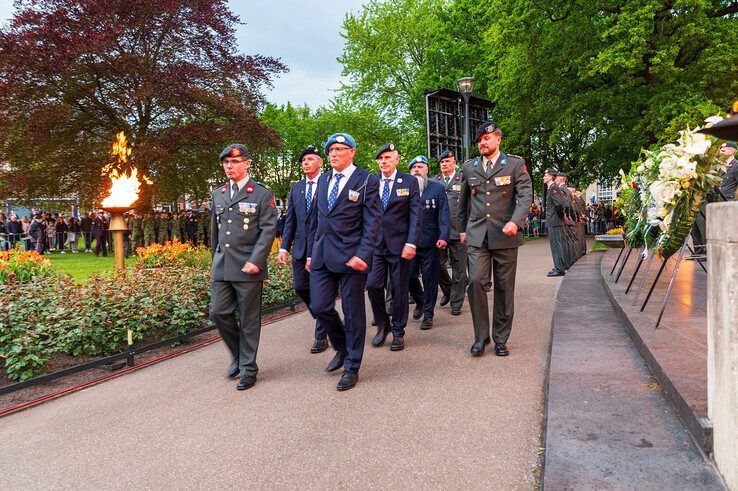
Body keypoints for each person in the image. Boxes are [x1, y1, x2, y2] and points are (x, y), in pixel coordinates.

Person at [309, 133, 381, 391]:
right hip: (322, 255)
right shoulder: (324, 179)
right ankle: (341, 346)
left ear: (352, 152)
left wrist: (363, 255)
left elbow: (373, 222)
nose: (334, 154)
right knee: (318, 306)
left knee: (353, 314)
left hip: (352, 257)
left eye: (339, 149)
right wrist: (311, 252)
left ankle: (352, 366)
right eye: (330, 150)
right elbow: (318, 220)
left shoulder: (367, 181)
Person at [458, 121, 533, 357]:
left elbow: (525, 195)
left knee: (504, 288)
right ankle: (481, 337)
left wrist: (516, 220)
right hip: (477, 235)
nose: (482, 143)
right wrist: (462, 229)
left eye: (487, 139)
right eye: (479, 140)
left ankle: (501, 339)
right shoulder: (469, 168)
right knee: (476, 282)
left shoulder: (514, 164)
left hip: (505, 235)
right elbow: (462, 204)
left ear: (498, 139)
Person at [210, 143, 277, 391]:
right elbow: (215, 232)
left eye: (235, 162)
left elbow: (268, 230)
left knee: (249, 320)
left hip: (249, 265)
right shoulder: (218, 193)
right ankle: (239, 355)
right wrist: (214, 259)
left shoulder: (260, 193)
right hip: (222, 264)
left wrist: (256, 260)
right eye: (226, 162)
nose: (230, 166)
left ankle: (248, 368)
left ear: (247, 163)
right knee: (218, 312)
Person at [366, 143, 420, 351]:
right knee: (372, 285)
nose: (384, 161)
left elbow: (416, 214)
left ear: (397, 159)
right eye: (380, 159)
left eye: (388, 157)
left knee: (399, 289)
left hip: (400, 245)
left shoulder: (409, 181)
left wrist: (411, 242)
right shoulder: (371, 182)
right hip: (376, 245)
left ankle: (398, 331)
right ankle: (383, 325)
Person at [278, 145, 327, 354]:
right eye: (303, 160)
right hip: (299, 247)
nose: (305, 163)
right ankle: (323, 315)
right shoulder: (296, 188)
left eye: (310, 159)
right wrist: (283, 247)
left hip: (321, 247)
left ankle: (321, 336)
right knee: (300, 287)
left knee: (319, 291)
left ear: (320, 162)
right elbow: (291, 220)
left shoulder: (328, 183)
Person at [408, 155, 450, 329]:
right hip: (409, 243)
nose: (417, 170)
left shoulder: (437, 188)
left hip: (431, 242)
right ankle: (420, 300)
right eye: (414, 167)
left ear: (427, 170)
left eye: (421, 167)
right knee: (409, 277)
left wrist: (443, 236)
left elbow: (444, 215)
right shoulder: (404, 188)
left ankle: (428, 314)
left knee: (430, 279)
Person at [435, 149, 467, 316]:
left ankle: (456, 302)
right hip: (439, 232)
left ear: (454, 162)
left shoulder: (462, 179)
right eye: (442, 162)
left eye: (447, 161)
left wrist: (467, 229)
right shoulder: (434, 181)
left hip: (458, 231)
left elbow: (469, 206)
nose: (444, 164)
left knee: (459, 269)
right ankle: (448, 291)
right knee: (438, 266)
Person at [543, 169, 566, 276]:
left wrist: (560, 218)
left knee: (556, 246)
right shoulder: (551, 188)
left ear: (551, 177)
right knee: (556, 246)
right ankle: (558, 267)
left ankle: (559, 269)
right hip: (553, 221)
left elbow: (559, 205)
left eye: (545, 175)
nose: (544, 177)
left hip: (555, 221)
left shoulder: (553, 188)